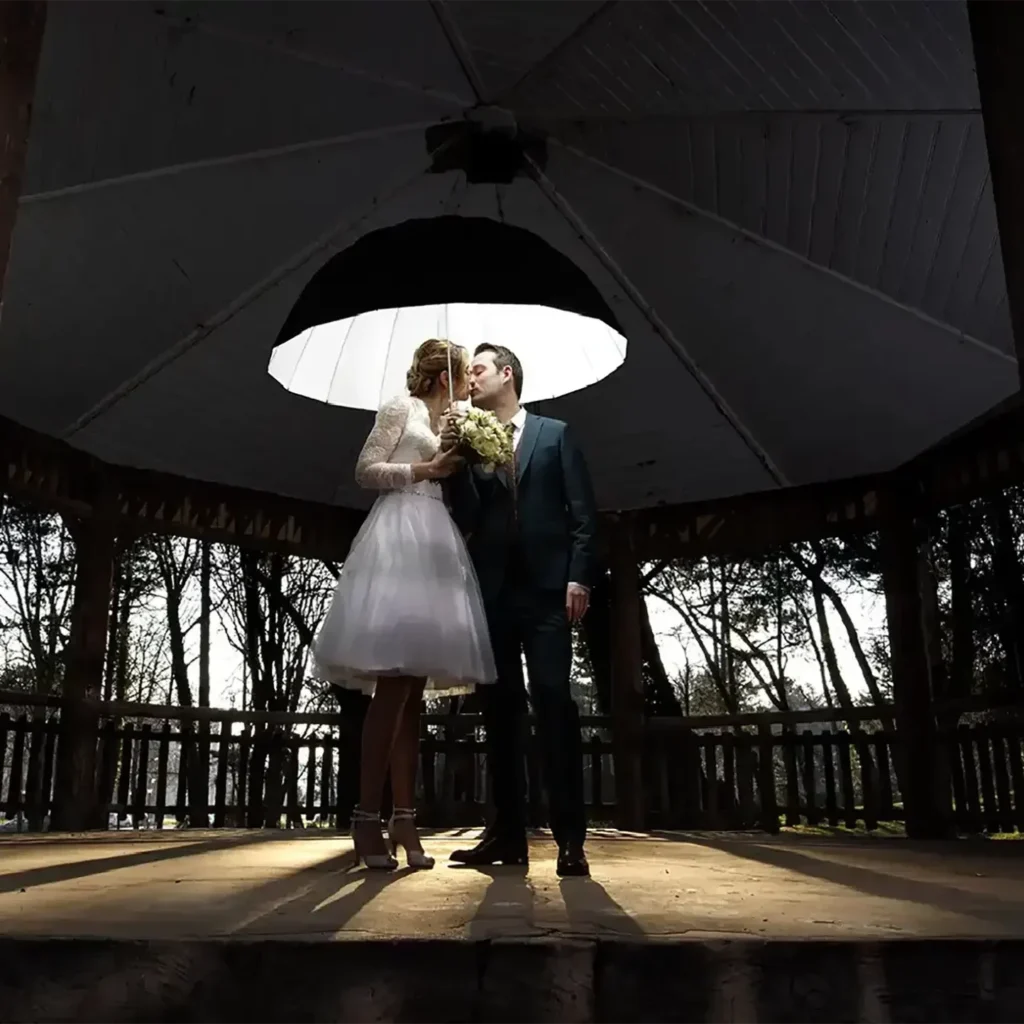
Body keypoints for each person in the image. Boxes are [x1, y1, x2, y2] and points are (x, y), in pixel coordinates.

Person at [312, 339, 496, 871]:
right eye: (464, 376)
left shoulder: (454, 422)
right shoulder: (402, 408)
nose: (469, 386)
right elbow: (366, 469)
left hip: (437, 543)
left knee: (413, 695)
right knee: (391, 687)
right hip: (398, 537)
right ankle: (365, 817)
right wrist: (424, 470)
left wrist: (459, 452)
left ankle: (405, 817)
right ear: (446, 377)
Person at [442, 343, 598, 877]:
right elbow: (465, 513)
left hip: (550, 591)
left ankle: (570, 840)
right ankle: (506, 835)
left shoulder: (555, 434)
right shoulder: (467, 441)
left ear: (507, 375)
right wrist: (453, 463)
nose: (470, 379)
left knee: (554, 702)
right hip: (493, 593)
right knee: (500, 714)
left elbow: (582, 513)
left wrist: (579, 576)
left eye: (479, 369)